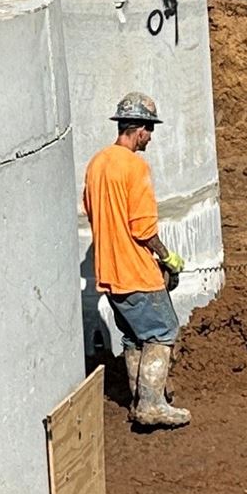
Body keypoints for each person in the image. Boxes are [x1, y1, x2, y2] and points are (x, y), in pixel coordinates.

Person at [84, 92, 190, 429]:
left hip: (109, 273)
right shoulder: (135, 167)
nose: (151, 138)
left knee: (133, 337)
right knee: (162, 331)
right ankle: (151, 404)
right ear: (140, 129)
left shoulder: (97, 163)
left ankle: (138, 395)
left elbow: (92, 212)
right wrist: (167, 256)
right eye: (151, 131)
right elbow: (142, 227)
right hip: (136, 271)